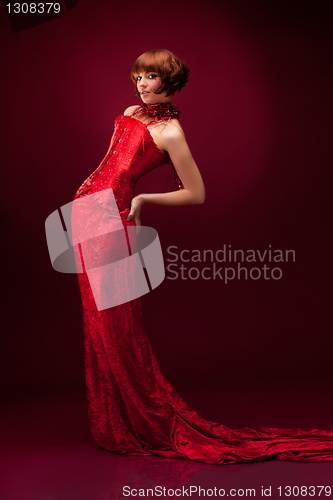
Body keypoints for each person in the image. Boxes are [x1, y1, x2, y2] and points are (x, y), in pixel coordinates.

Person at [72, 49, 333, 464]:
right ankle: (114, 422)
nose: (141, 85)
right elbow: (109, 168)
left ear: (170, 83)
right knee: (97, 326)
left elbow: (195, 192)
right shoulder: (128, 112)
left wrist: (142, 201)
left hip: (110, 222)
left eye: (151, 78)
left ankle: (145, 422)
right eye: (138, 76)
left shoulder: (171, 131)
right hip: (87, 216)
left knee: (118, 328)